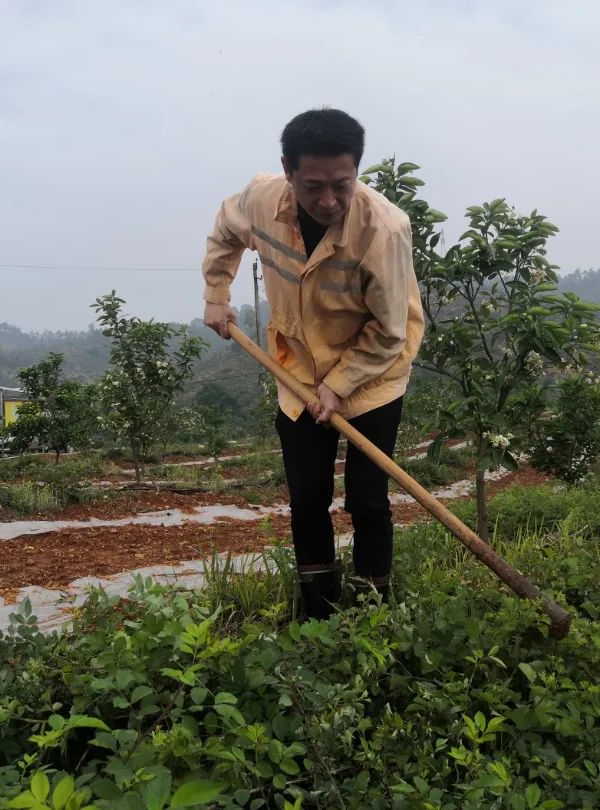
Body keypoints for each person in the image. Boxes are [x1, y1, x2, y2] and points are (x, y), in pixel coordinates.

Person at [200, 108, 424, 619]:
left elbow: (389, 332)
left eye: (342, 186)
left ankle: (372, 613)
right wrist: (217, 292)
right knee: (307, 497)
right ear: (288, 170)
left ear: (356, 173)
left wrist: (341, 384)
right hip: (297, 372)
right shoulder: (260, 198)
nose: (328, 201)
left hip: (373, 374)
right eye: (313, 186)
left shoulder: (384, 231)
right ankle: (319, 615)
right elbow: (224, 230)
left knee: (368, 500)